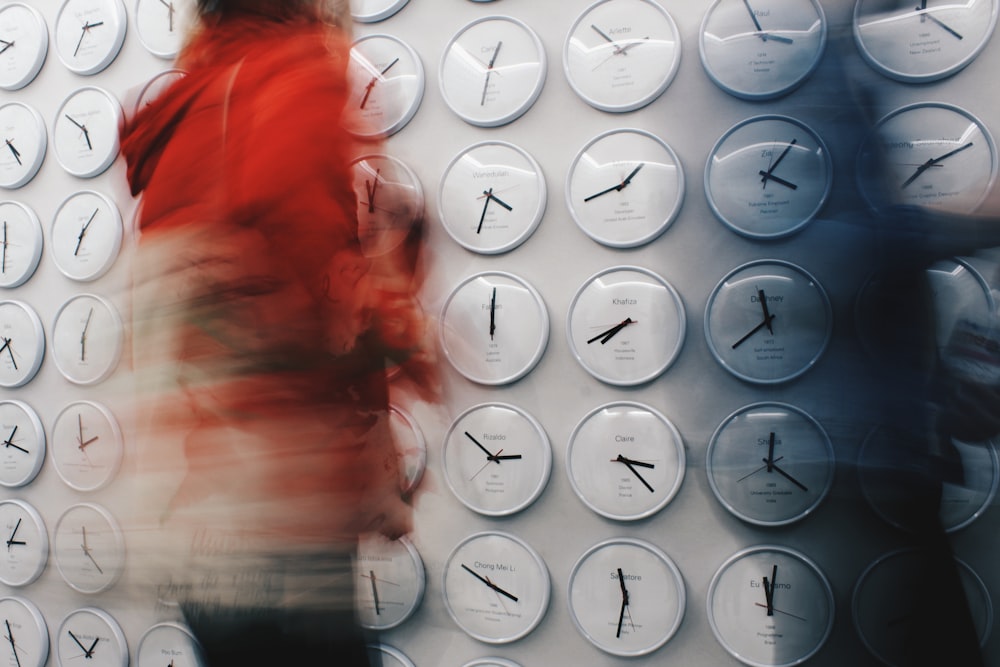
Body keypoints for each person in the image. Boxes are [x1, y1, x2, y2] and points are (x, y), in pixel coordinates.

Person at [119, 1, 436, 664]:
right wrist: (397, 264)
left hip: (201, 527)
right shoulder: (295, 89)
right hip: (283, 530)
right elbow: (327, 307)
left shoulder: (183, 115)